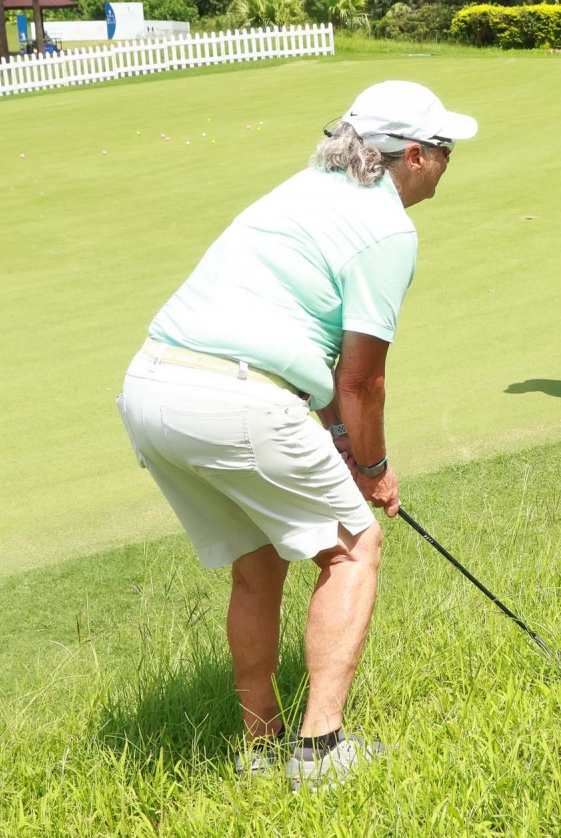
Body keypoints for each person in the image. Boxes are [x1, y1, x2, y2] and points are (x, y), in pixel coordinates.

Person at [116, 80, 476, 790]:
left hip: (153, 385)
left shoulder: (299, 190)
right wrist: (371, 467)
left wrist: (338, 436)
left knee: (258, 560)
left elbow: (311, 361)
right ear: (411, 156)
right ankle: (320, 751)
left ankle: (258, 748)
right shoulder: (387, 230)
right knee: (353, 548)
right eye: (443, 147)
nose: (445, 159)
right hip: (238, 394)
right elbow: (362, 380)